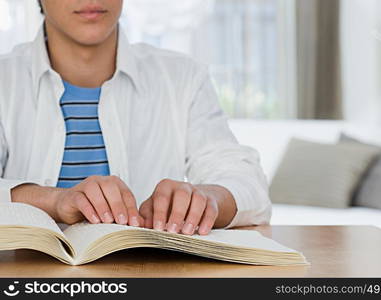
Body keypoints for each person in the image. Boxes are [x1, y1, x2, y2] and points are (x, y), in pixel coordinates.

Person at [0, 0, 271, 236]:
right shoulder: (5, 80)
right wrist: (54, 201)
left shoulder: (183, 77)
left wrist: (206, 199)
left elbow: (247, 184)